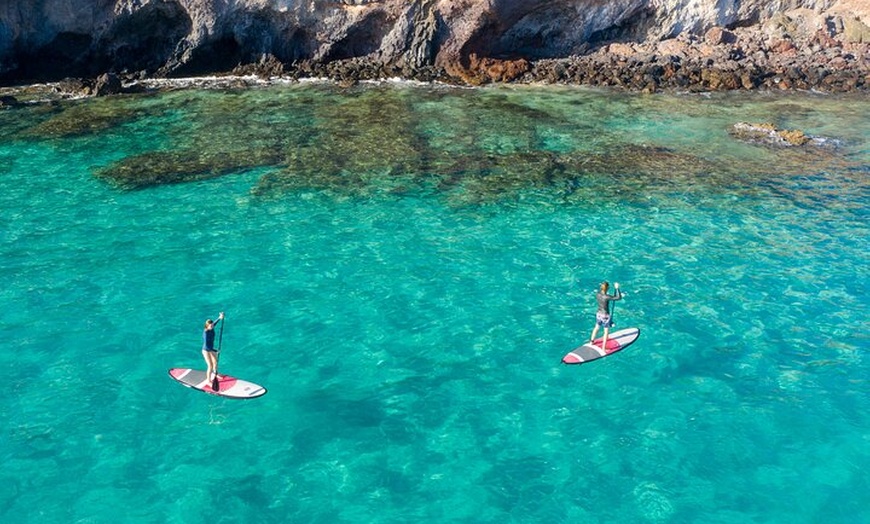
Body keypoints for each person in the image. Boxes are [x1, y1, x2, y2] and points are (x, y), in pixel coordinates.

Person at [589, 281, 622, 350]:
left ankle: (591, 342)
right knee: (606, 332)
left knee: (596, 328)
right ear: (607, 288)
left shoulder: (597, 294)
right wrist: (617, 288)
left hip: (598, 314)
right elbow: (618, 298)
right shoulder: (607, 297)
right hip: (605, 316)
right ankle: (603, 348)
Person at [202, 312, 224, 384]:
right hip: (206, 350)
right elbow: (207, 346)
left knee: (215, 362)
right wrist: (215, 350)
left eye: (212, 326)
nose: (212, 327)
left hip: (211, 348)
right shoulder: (206, 334)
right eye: (210, 326)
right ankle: (208, 381)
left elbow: (215, 323)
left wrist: (220, 317)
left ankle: (215, 374)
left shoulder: (211, 327)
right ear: (206, 326)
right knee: (210, 366)